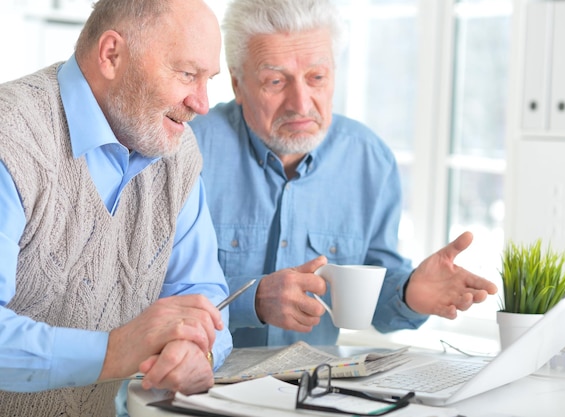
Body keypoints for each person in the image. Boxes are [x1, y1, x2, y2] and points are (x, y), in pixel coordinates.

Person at [189, 0, 498, 349]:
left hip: (309, 394)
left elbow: (374, 303)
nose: (301, 104)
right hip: (202, 391)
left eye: (317, 78)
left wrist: (410, 291)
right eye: (276, 81)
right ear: (237, 84)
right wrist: (254, 299)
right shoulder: (188, 152)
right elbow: (149, 295)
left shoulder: (370, 161)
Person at [0, 0, 232, 415]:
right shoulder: (11, 138)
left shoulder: (175, 153)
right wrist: (114, 351)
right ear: (112, 54)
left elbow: (200, 294)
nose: (202, 104)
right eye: (187, 74)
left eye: (208, 79)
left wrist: (197, 350)